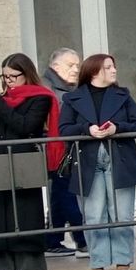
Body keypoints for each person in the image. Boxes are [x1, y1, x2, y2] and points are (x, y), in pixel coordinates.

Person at [59, 54, 136, 270]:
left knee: (122, 213)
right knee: (94, 214)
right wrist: (87, 130)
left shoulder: (123, 95)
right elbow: (64, 129)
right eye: (108, 67)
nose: (114, 70)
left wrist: (116, 129)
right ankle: (98, 261)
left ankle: (122, 259)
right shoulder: (72, 98)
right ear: (95, 71)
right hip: (87, 159)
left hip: (120, 157)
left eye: (114, 66)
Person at [0, 54, 59, 270]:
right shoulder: (2, 99)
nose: (8, 81)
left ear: (26, 74)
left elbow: (25, 126)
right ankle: (8, 267)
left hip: (23, 160)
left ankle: (30, 267)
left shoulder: (38, 97)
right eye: (4, 76)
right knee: (0, 213)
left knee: (24, 210)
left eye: (13, 76)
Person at [41, 48, 84, 257]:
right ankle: (83, 240)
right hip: (57, 152)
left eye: (78, 65)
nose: (76, 69)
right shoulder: (47, 89)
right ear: (55, 67)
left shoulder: (69, 88)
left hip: (64, 151)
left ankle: (52, 240)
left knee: (60, 196)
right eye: (70, 65)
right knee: (67, 195)